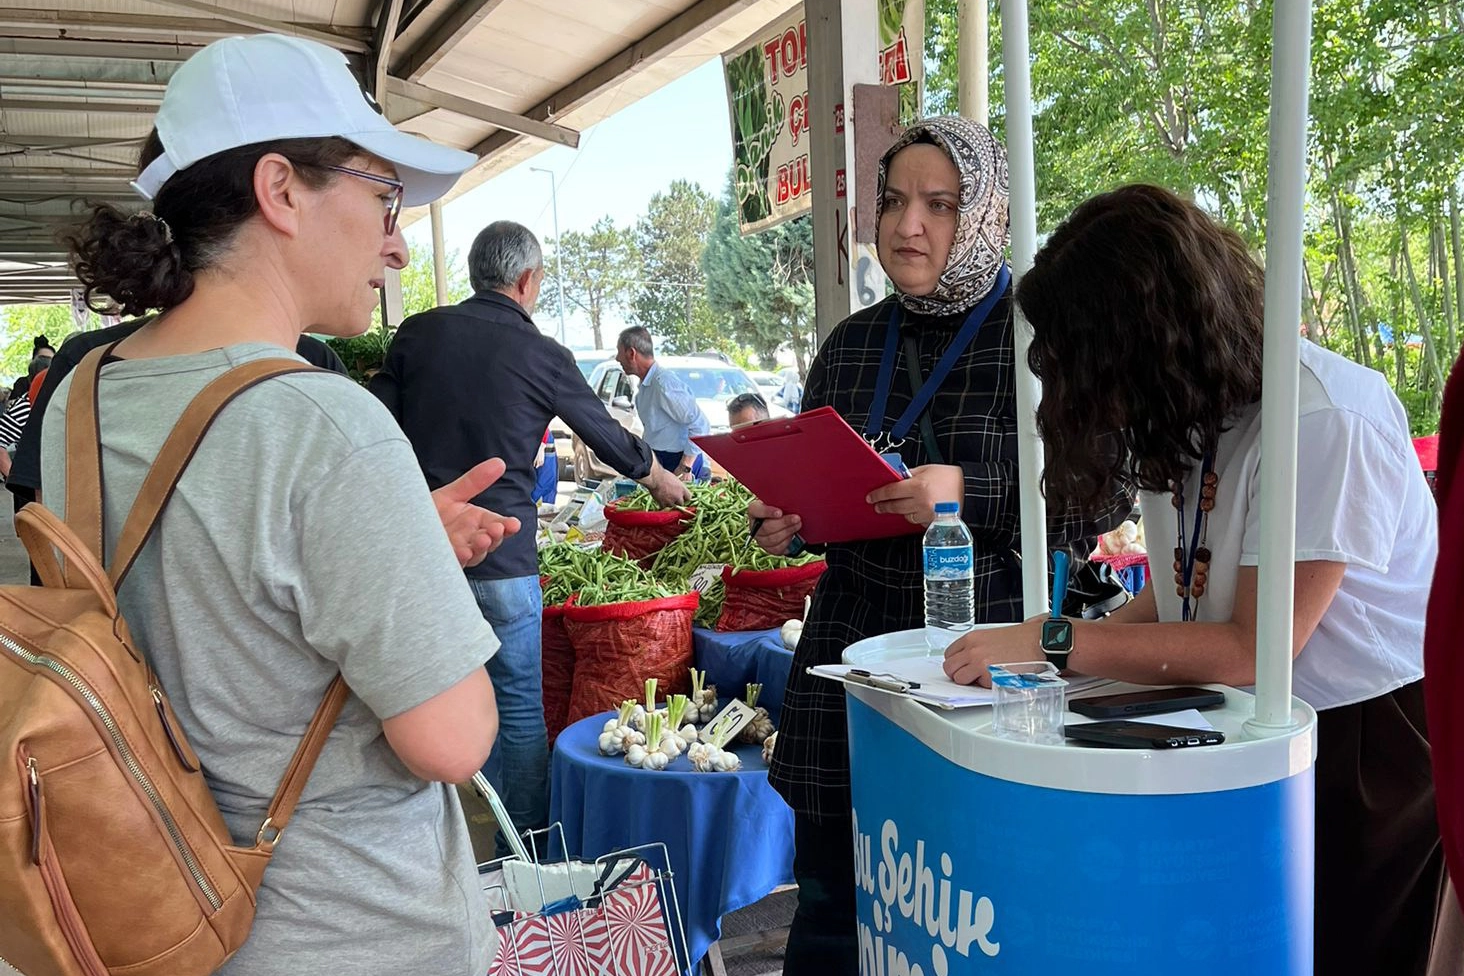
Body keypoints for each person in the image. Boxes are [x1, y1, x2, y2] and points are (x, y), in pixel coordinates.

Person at [52, 33, 506, 975]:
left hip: (154, 914)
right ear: (280, 189)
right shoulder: (320, 422)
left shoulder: (82, 395)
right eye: (383, 196)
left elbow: (209, 588)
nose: (395, 238)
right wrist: (413, 566)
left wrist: (388, 544)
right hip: (344, 930)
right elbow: (452, 741)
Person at [945, 183, 1440, 976]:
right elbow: (1176, 595)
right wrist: (1054, 672)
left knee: (1345, 947)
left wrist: (1056, 639)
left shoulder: (1319, 417)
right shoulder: (1189, 405)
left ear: (1150, 335)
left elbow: (1255, 645)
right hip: (1249, 717)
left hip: (1364, 737)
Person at [746, 117, 1127, 970]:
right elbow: (824, 484)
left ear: (987, 215)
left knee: (965, 909)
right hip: (849, 657)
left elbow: (1106, 492)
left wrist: (963, 492)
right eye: (893, 201)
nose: (907, 224)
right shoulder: (848, 346)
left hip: (983, 658)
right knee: (834, 907)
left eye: (940, 204)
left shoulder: (1041, 341)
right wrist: (786, 516)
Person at [370, 220, 690, 845]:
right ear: (526, 280)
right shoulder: (540, 353)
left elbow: (377, 424)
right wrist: (658, 477)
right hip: (503, 557)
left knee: (421, 703)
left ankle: (441, 844)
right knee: (517, 708)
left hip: (423, 556)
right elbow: (600, 430)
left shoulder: (418, 333)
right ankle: (525, 852)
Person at [616, 326, 712, 481]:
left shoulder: (664, 384)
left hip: (680, 463)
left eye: (619, 351)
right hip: (660, 460)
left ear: (631, 353)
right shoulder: (647, 386)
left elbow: (700, 424)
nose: (617, 358)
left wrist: (685, 467)